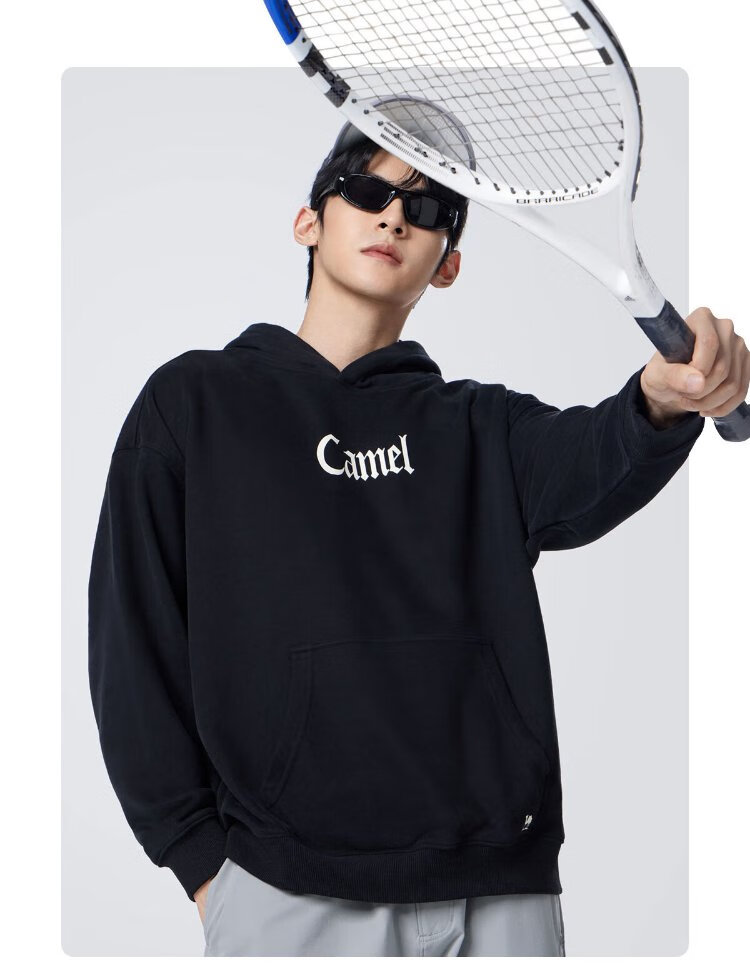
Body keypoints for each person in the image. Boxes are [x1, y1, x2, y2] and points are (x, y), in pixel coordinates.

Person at [87, 119, 749, 957]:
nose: (394, 216)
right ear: (308, 221)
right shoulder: (193, 404)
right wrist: (201, 863)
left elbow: (594, 456)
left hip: (499, 892)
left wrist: (660, 399)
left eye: (427, 207)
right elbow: (131, 644)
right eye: (368, 190)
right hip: (284, 888)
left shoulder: (480, 428)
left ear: (448, 264)